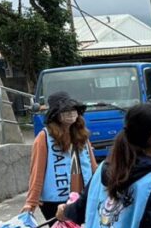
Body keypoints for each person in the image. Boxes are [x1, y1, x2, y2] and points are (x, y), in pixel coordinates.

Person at [22, 92, 97, 220]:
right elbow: (37, 171)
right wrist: (31, 202)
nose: (71, 113)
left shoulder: (81, 135)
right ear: (55, 115)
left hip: (82, 197)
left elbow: (93, 166)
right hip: (55, 201)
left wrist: (103, 189)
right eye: (65, 110)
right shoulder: (44, 137)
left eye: (73, 109)